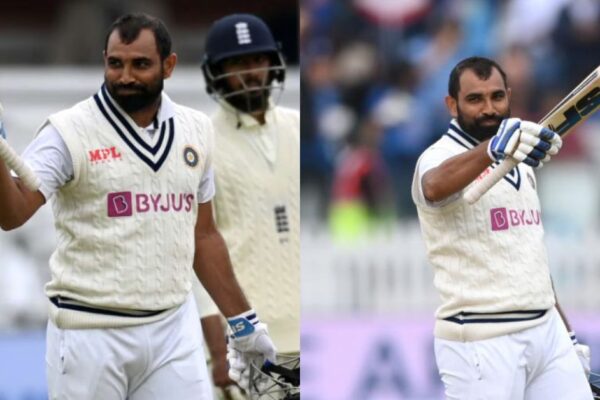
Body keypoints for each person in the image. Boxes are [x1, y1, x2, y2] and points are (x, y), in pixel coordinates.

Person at [0, 13, 275, 400]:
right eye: (116, 63)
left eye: (140, 64)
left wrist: (244, 323)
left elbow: (205, 235)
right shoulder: (67, 131)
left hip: (172, 330)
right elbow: (12, 215)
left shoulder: (196, 130)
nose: (125, 76)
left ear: (169, 65)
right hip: (88, 333)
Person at [411, 56, 593, 399]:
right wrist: (492, 149)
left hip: (545, 331)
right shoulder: (438, 157)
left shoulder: (522, 161)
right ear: (452, 104)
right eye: (475, 99)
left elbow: (531, 257)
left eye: (496, 97)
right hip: (481, 338)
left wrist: (566, 334)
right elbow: (433, 186)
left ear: (508, 95)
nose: (488, 109)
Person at [197, 13, 300, 398]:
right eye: (236, 64)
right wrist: (216, 350)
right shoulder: (201, 141)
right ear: (216, 72)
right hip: (248, 344)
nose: (250, 72)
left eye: (257, 60)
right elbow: (199, 251)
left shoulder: (297, 126)